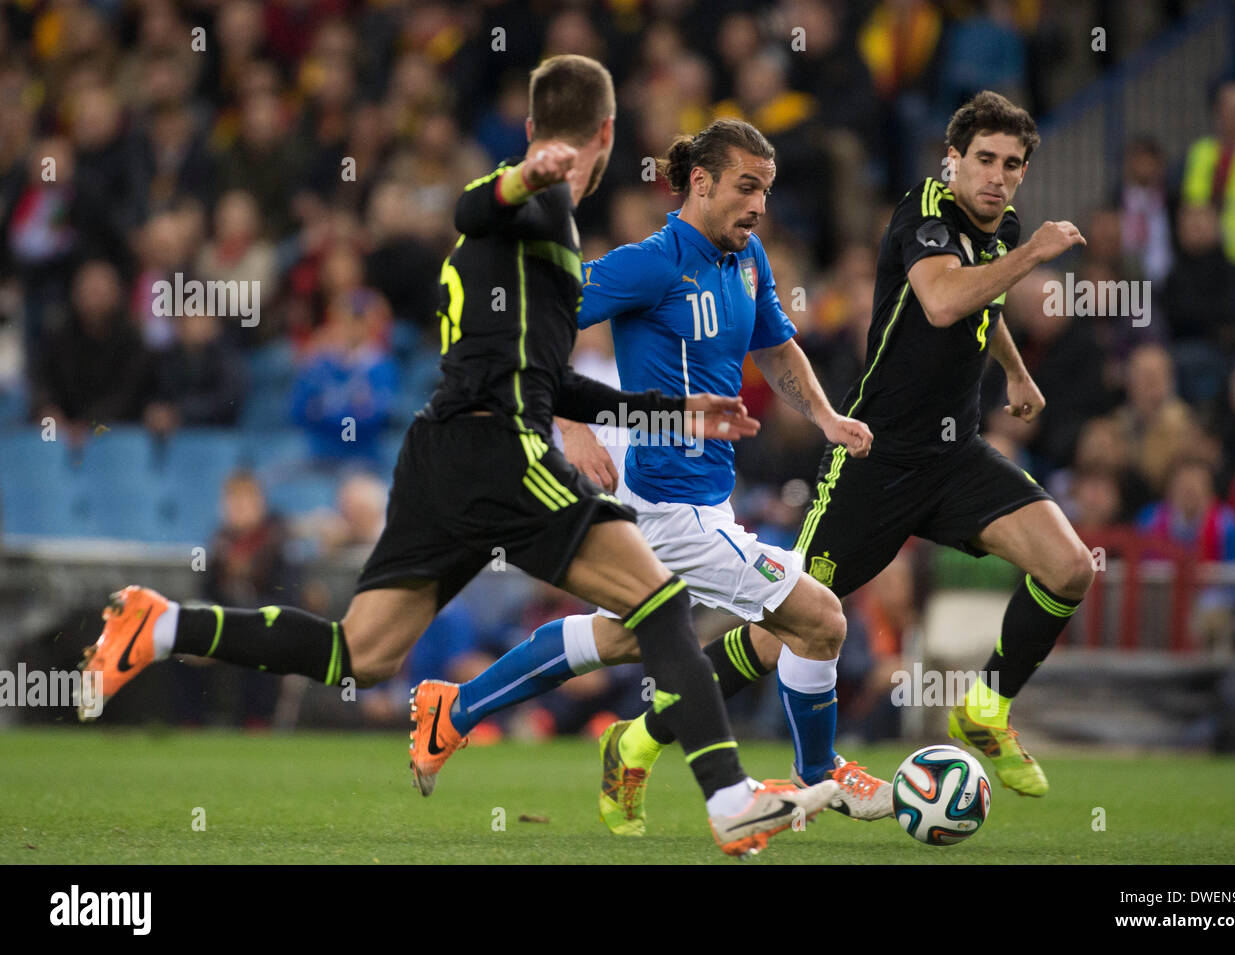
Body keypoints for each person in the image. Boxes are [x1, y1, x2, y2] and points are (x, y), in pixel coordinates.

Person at [78, 55, 837, 857]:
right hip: (498, 449)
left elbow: (553, 380)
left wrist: (665, 411)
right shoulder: (537, 206)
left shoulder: (544, 245)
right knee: (658, 602)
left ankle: (160, 625)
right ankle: (727, 800)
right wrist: (522, 179)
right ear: (608, 135)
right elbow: (474, 205)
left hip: (439, 452)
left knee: (359, 652)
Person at [413, 119, 890, 838]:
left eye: (766, 189)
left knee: (625, 636)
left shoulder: (748, 257)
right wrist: (570, 426)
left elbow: (778, 345)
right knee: (819, 618)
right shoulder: (651, 263)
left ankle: (458, 707)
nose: (759, 205)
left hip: (696, 497)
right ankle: (817, 775)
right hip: (671, 501)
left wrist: (825, 416)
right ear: (700, 183)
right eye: (746, 187)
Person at [793, 90, 1096, 797]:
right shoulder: (924, 213)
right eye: (984, 159)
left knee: (1070, 567)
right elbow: (943, 300)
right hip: (876, 455)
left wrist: (1016, 370)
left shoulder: (1001, 227)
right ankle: (646, 732)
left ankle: (987, 705)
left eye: (1012, 165)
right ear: (952, 160)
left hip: (953, 457)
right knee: (788, 627)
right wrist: (1032, 255)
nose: (997, 176)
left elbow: (979, 305)